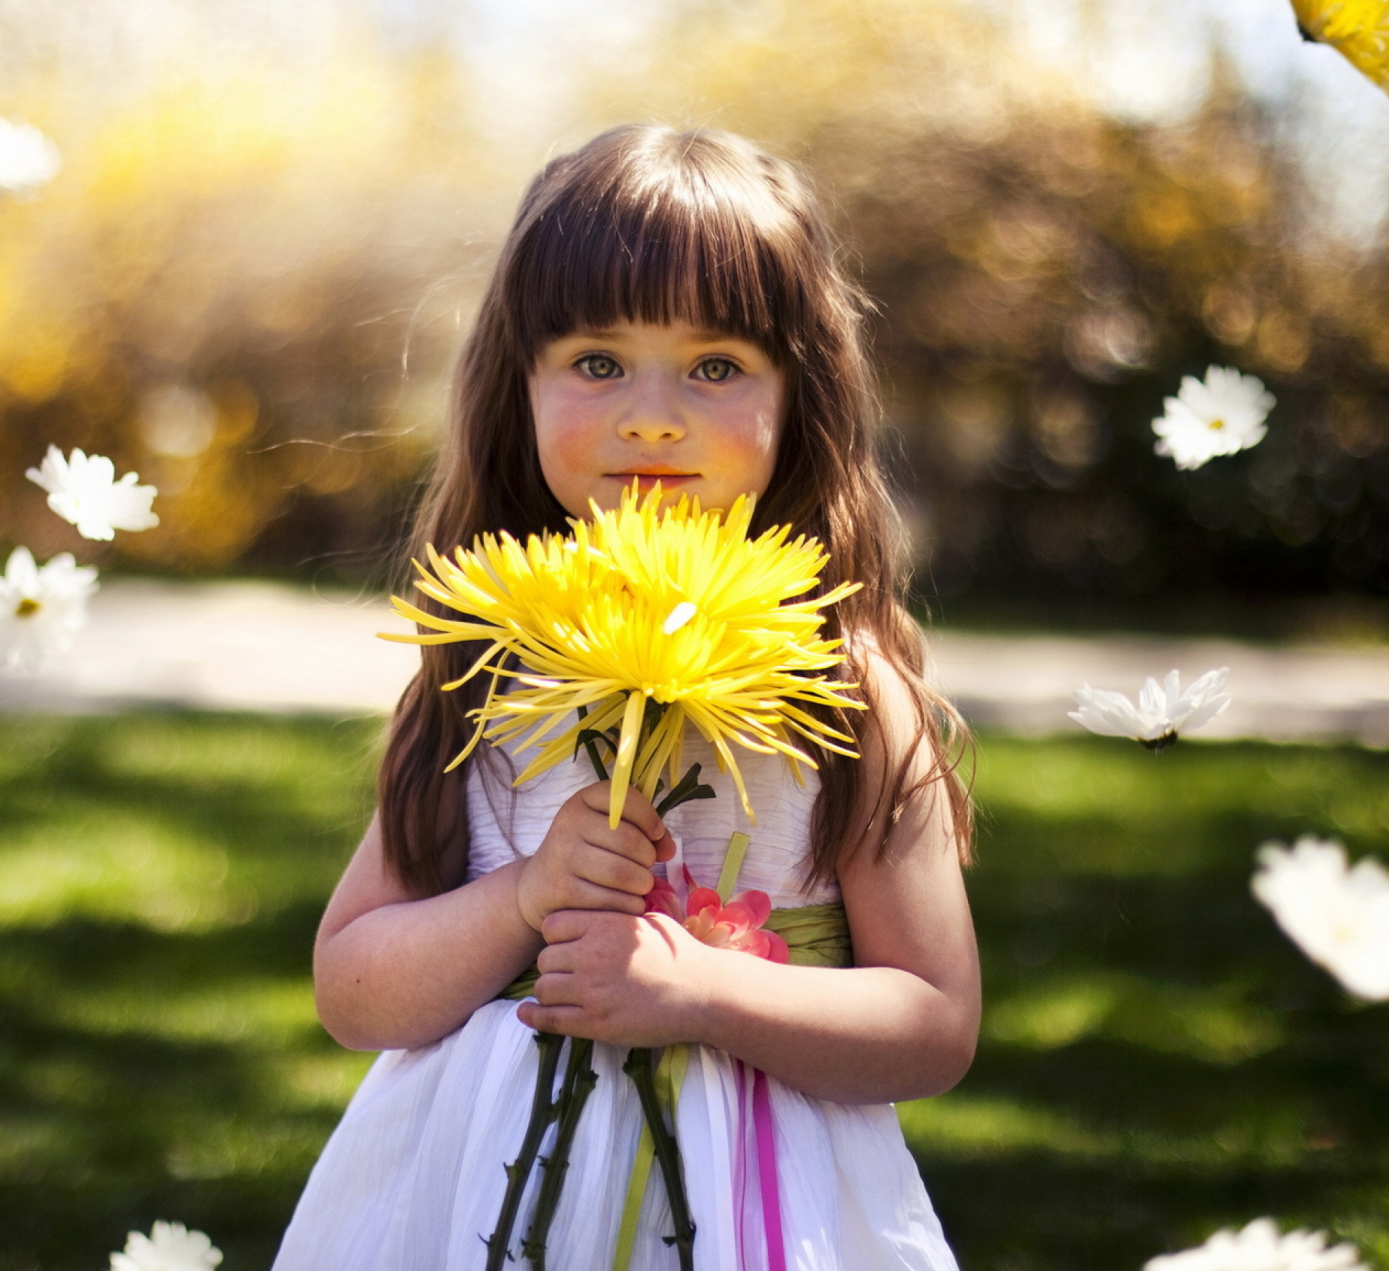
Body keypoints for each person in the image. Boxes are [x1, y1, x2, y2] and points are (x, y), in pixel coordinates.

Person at [272, 124, 980, 1270]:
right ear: (522, 385)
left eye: (716, 366)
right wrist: (522, 900)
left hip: (752, 1212)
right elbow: (354, 990)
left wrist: (705, 993)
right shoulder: (483, 669)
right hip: (472, 1203)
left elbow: (934, 1026)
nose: (653, 416)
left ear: (802, 395)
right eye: (598, 361)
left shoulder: (842, 692)